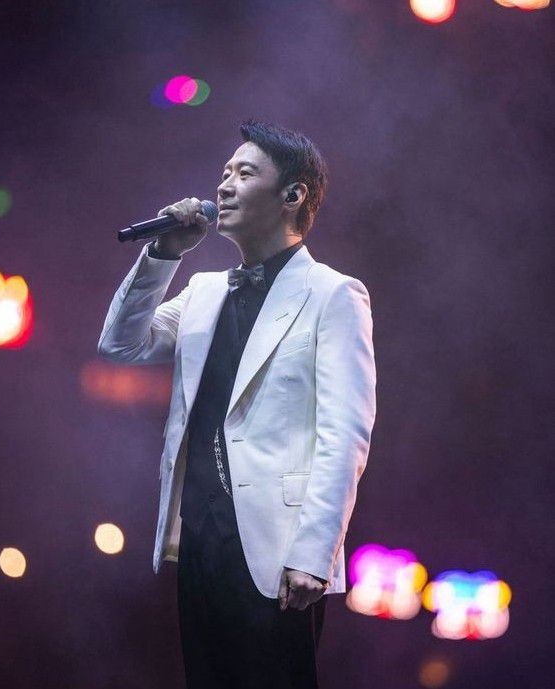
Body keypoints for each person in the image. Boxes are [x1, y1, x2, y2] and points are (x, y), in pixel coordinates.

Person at [97, 119, 376, 688]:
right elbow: (121, 344)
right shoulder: (203, 292)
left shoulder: (333, 294)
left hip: (279, 546)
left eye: (244, 173)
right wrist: (163, 253)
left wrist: (315, 554)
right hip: (200, 537)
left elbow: (345, 433)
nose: (223, 185)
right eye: (224, 172)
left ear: (292, 195)